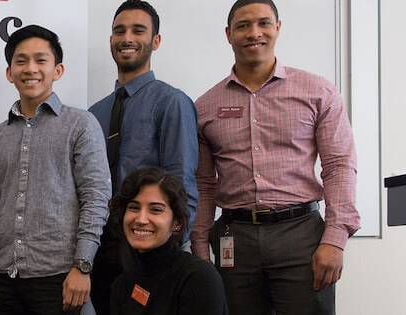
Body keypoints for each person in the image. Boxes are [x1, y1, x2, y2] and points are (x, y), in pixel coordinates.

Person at [190, 1, 360, 314]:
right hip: (233, 240)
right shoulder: (204, 107)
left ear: (278, 28)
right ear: (228, 34)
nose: (254, 33)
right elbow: (203, 182)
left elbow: (338, 166)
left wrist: (335, 239)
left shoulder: (317, 91)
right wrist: (199, 245)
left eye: (263, 23)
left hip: (301, 236)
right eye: (243, 25)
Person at [0, 25, 111, 315]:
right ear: (9, 72)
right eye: (21, 61)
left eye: (41, 60)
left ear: (57, 70)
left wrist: (82, 266)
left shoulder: (80, 125)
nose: (30, 69)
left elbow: (96, 197)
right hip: (4, 278)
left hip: (61, 278)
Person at [87, 2, 198, 313]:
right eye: (119, 30)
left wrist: (169, 256)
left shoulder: (172, 102)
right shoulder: (94, 113)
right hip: (103, 249)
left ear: (156, 41)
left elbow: (182, 185)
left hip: (151, 248)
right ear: (111, 39)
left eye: (138, 30)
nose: (127, 37)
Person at [108, 168, 225, 315]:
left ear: (177, 222)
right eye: (134, 207)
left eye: (156, 210)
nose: (141, 219)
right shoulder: (122, 284)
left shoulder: (198, 278)